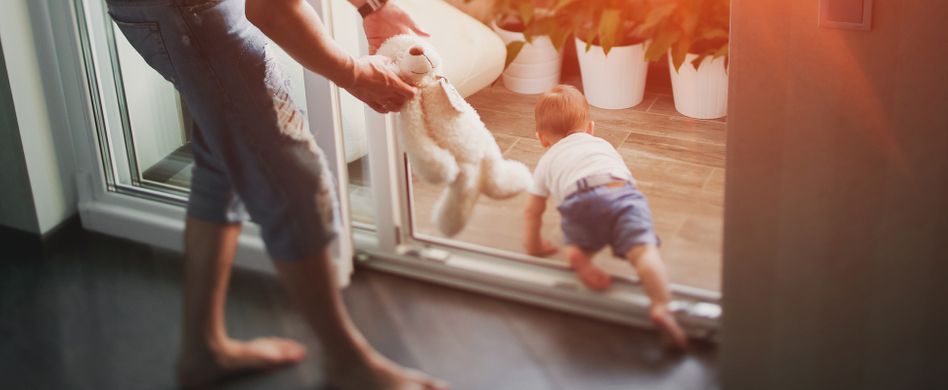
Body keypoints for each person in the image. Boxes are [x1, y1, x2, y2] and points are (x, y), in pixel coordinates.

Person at [105, 0, 447, 388]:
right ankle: (347, 364)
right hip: (186, 12)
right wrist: (353, 74)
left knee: (223, 160)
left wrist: (373, 7)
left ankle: (203, 350)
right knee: (294, 182)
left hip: (177, 9)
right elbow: (272, 8)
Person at [522, 85, 688, 349]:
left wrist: (533, 245)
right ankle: (660, 305)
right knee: (643, 253)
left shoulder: (547, 160)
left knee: (583, 227)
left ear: (542, 139)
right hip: (619, 191)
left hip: (578, 201)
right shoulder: (602, 144)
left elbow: (533, 210)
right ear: (590, 128)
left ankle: (580, 252)